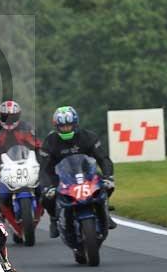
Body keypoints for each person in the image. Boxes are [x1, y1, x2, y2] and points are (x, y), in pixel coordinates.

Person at [39, 106, 116, 254]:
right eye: (62, 126)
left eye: (69, 125)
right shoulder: (50, 141)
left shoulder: (88, 137)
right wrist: (48, 186)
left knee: (107, 186)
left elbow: (103, 158)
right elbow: (44, 168)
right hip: (61, 177)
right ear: (56, 126)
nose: (66, 129)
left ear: (75, 124)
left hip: (87, 174)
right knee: (46, 197)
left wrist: (108, 176)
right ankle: (54, 219)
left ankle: (105, 211)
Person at [0, 100, 42, 214]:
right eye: (6, 117)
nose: (9, 120)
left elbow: (37, 145)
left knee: (42, 183)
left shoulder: (26, 127)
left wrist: (40, 162)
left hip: (24, 161)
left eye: (12, 117)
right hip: (2, 163)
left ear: (18, 116)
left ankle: (42, 206)